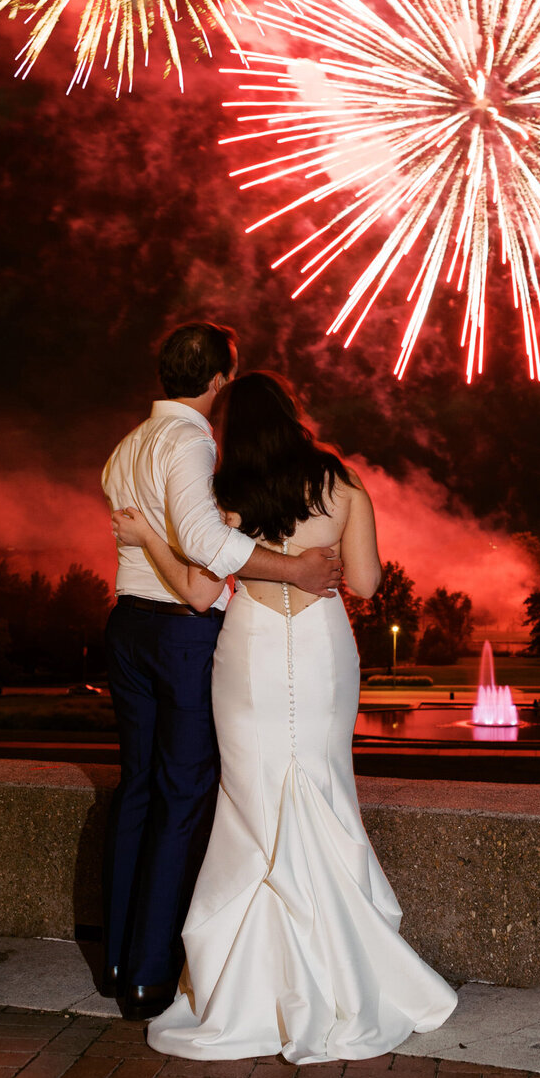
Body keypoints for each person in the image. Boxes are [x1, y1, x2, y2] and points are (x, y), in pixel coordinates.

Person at [112, 370, 457, 1061]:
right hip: (326, 648)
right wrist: (316, 555)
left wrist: (148, 538)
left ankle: (254, 985)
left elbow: (198, 591)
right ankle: (349, 967)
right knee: (326, 789)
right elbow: (364, 584)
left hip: (253, 650)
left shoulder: (226, 495)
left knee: (251, 805)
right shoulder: (342, 482)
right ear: (297, 417)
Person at [100, 325, 343, 1022]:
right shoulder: (189, 441)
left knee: (139, 792)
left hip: (129, 626)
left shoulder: (126, 448)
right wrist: (293, 568)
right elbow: (206, 547)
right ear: (217, 381)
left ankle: (119, 958)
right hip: (179, 633)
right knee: (182, 798)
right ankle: (149, 976)